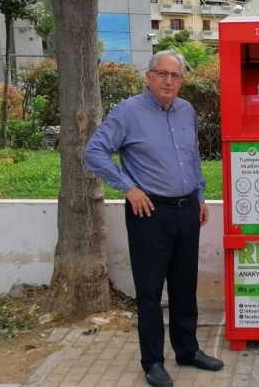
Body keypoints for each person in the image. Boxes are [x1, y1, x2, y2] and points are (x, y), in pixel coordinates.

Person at [85, 50, 223, 387]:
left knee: (184, 286)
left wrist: (200, 195)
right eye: (162, 74)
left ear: (182, 81)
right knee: (149, 291)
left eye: (175, 76)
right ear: (148, 77)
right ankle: (153, 363)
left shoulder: (186, 110)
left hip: (187, 210)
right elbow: (94, 152)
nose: (168, 81)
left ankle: (187, 350)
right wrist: (128, 188)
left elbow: (191, 157)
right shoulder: (128, 112)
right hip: (149, 213)